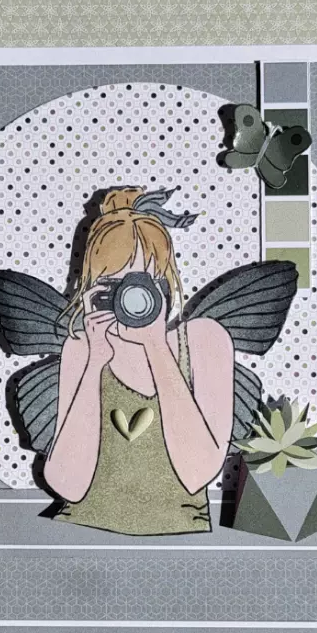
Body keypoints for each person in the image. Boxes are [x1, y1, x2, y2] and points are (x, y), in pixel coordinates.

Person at [42, 187, 235, 535]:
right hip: (79, 535)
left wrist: (156, 345)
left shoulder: (203, 341)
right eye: (112, 285)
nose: (129, 300)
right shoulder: (82, 348)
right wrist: (94, 363)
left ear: (166, 283)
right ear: (92, 289)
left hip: (181, 539)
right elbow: (68, 485)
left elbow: (199, 472)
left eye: (141, 284)